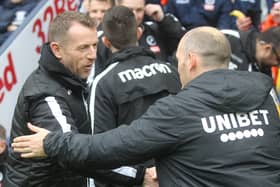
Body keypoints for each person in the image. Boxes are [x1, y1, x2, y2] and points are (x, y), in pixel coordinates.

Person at [12, 26, 280, 186]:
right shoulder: (268, 97)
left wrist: (50, 144)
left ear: (190, 61)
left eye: (178, 61)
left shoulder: (179, 109)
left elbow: (107, 148)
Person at [89, 5, 181, 187]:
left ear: (105, 42)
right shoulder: (170, 71)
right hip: (175, 174)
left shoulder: (104, 82)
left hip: (135, 179)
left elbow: (99, 150)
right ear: (139, 33)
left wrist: (141, 175)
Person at [3, 11, 98, 187]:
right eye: (83, 47)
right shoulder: (45, 94)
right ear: (57, 49)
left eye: (94, 45)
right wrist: (137, 175)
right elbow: (72, 150)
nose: (92, 55)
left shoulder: (71, 79)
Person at [94, 0, 186, 77]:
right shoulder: (103, 36)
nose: (134, 15)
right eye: (129, 10)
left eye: (139, 10)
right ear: (117, 7)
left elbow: (185, 43)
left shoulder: (154, 29)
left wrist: (163, 20)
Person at [165, 0, 233, 30]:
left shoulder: (222, 1)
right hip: (181, 38)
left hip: (210, 39)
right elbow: (169, 21)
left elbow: (224, 27)